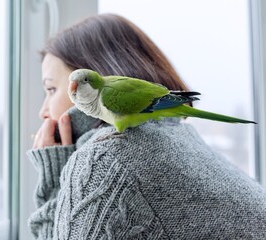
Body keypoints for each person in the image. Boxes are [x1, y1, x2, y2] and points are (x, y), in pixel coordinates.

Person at [27, 14, 266, 239]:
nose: (43, 111)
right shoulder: (183, 138)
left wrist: (53, 181)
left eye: (50, 90)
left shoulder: (104, 160)